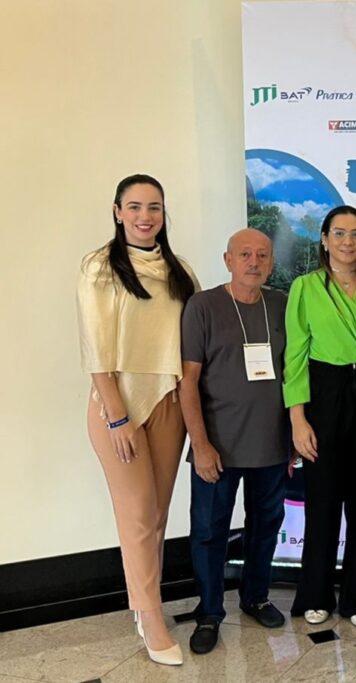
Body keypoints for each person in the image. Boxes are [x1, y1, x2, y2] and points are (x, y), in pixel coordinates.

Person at [76, 174, 198, 666]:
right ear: (117, 211)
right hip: (119, 404)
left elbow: (194, 341)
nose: (145, 217)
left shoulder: (179, 270)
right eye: (135, 207)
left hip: (168, 400)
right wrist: (116, 417)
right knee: (139, 512)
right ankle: (150, 615)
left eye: (154, 207)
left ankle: (143, 602)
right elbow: (96, 348)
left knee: (158, 513)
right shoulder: (100, 266)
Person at [285, 205, 356, 629]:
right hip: (324, 396)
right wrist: (298, 420)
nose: (348, 242)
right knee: (323, 500)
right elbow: (295, 357)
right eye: (339, 233)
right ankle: (315, 594)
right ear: (325, 239)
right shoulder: (306, 287)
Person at [179, 228, 289, 654]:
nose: (253, 262)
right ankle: (209, 613)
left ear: (272, 263)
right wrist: (200, 444)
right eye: (244, 254)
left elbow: (294, 373)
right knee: (209, 532)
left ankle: (255, 596)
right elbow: (188, 382)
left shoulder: (281, 304)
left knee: (266, 526)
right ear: (228, 260)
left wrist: (293, 436)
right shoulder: (203, 306)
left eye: (262, 255)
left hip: (271, 444)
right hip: (217, 448)